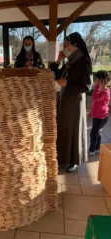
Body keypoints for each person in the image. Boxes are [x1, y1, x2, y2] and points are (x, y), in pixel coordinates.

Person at [50, 32, 92, 173]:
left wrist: (67, 83)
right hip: (65, 99)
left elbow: (87, 86)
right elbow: (54, 74)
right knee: (63, 128)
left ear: (75, 45)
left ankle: (74, 160)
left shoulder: (83, 62)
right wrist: (58, 60)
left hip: (75, 101)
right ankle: (63, 157)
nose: (65, 47)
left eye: (66, 45)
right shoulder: (71, 61)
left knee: (73, 130)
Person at [89, 70, 110, 155]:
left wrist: (97, 87)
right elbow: (96, 104)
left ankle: (92, 150)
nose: (95, 81)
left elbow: (94, 98)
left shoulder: (105, 92)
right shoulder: (102, 90)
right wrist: (92, 113)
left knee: (94, 133)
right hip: (99, 115)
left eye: (96, 80)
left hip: (101, 117)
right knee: (98, 132)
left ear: (101, 81)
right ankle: (97, 149)